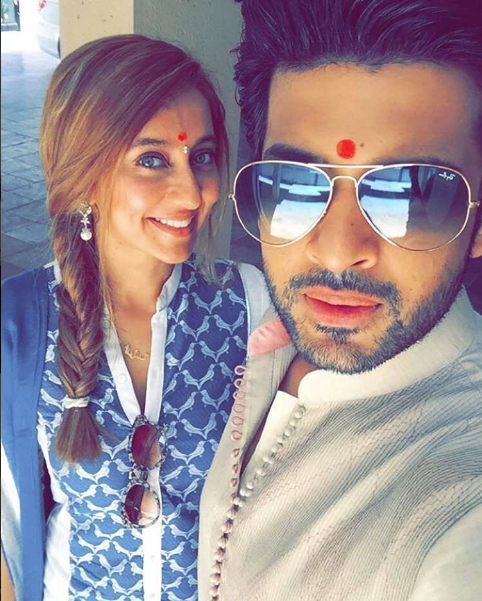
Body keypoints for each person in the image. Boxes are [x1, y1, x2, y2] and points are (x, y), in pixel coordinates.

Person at [198, 1, 482, 599]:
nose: (335, 252)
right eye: (294, 184)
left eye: (413, 194)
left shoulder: (460, 510)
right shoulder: (270, 336)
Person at [1, 34, 269, 601]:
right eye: (152, 160)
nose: (192, 193)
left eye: (201, 157)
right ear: (83, 175)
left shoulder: (249, 307)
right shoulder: (17, 325)